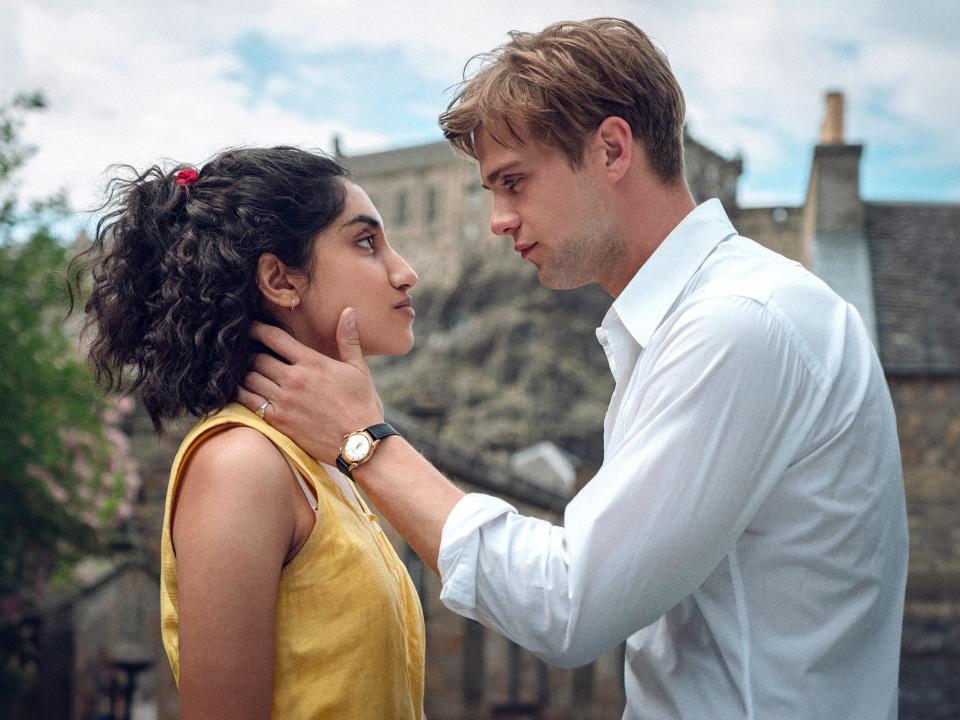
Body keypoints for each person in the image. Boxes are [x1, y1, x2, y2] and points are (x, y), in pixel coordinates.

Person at [239, 19, 909, 719]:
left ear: (613, 149)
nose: (498, 219)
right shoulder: (712, 318)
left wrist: (363, 439)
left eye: (514, 182)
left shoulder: (738, 325)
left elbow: (570, 605)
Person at [74, 147, 425, 719]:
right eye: (366, 242)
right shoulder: (241, 464)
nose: (404, 271)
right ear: (280, 279)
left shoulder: (315, 462)